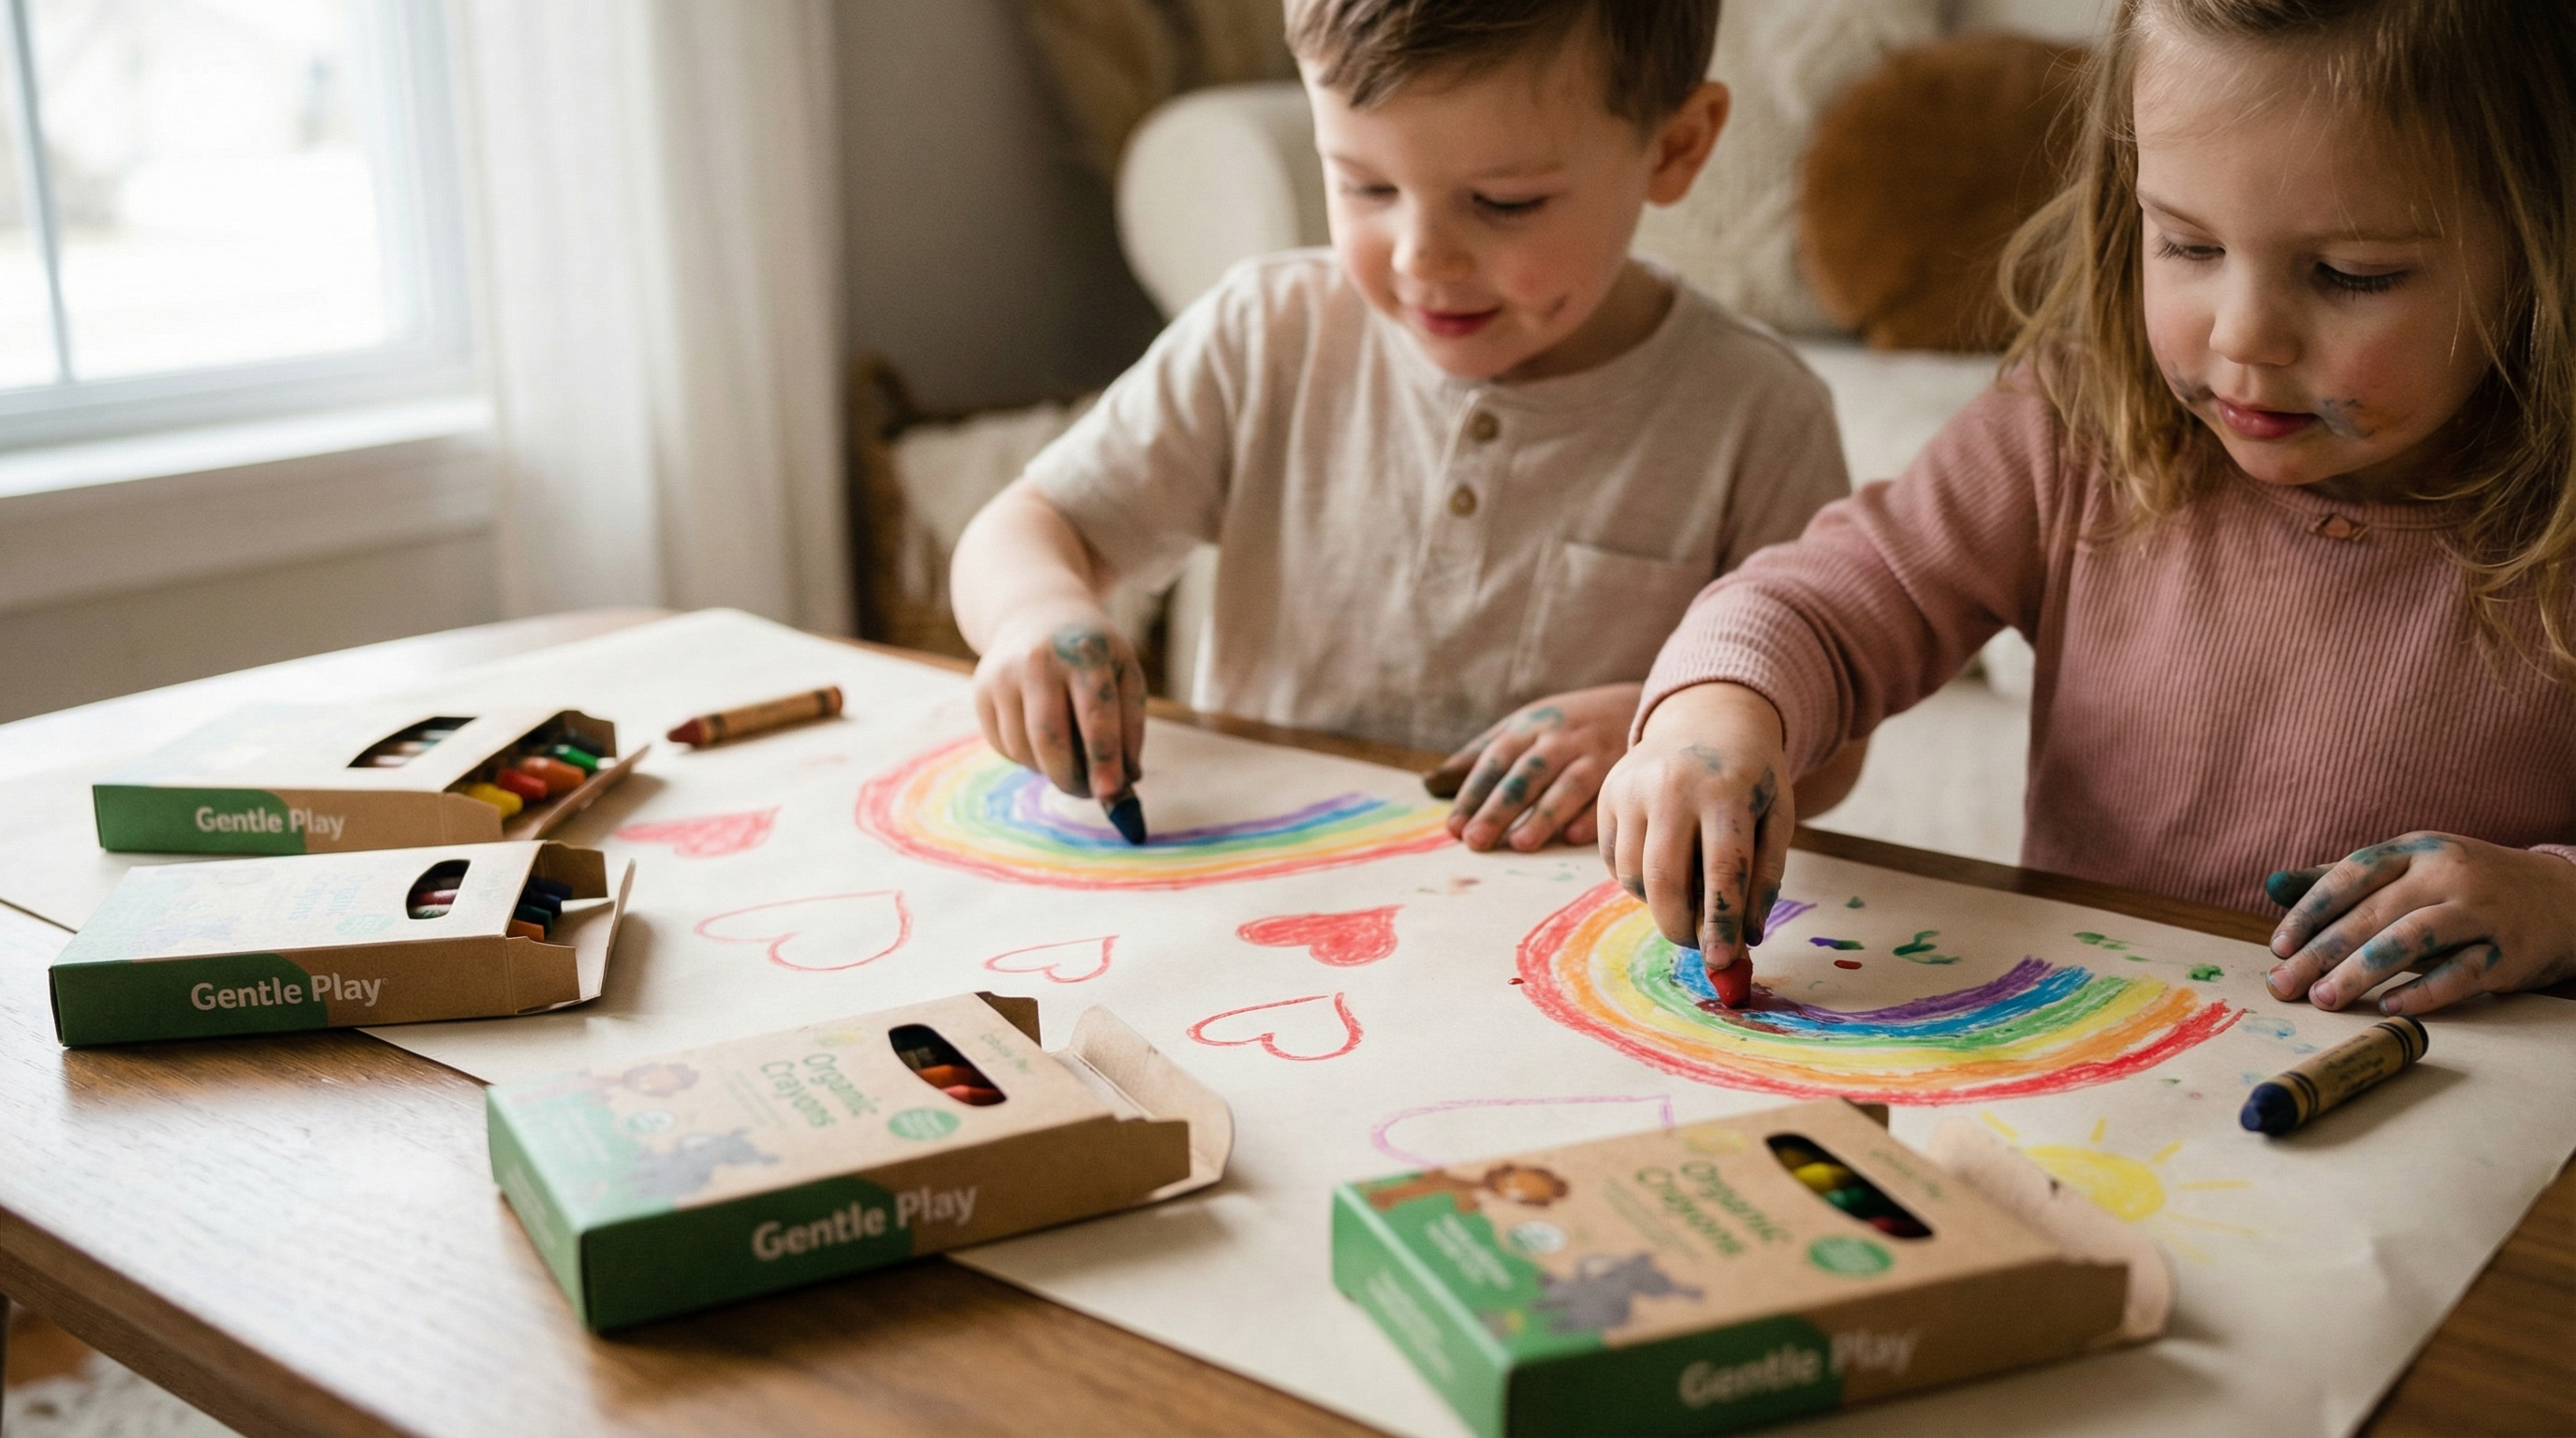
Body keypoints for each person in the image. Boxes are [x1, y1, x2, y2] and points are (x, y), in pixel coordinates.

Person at [1602, 0, 2576, 1017]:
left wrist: (2551, 903)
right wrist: (1713, 717)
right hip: (2088, 1089)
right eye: (2188, 247)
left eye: (2349, 274)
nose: (2245, 338)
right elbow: (1823, 604)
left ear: (2540, 243)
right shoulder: (2073, 429)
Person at [950, 0, 1858, 855]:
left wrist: (1670, 723)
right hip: (1260, 891)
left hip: (1568, 936)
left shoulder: (1758, 414)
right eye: (1364, 185)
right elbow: (1028, 528)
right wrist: (1035, 613)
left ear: (1675, 146)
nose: (1423, 255)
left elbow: (1829, 750)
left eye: (1505, 203)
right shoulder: (1263, 336)